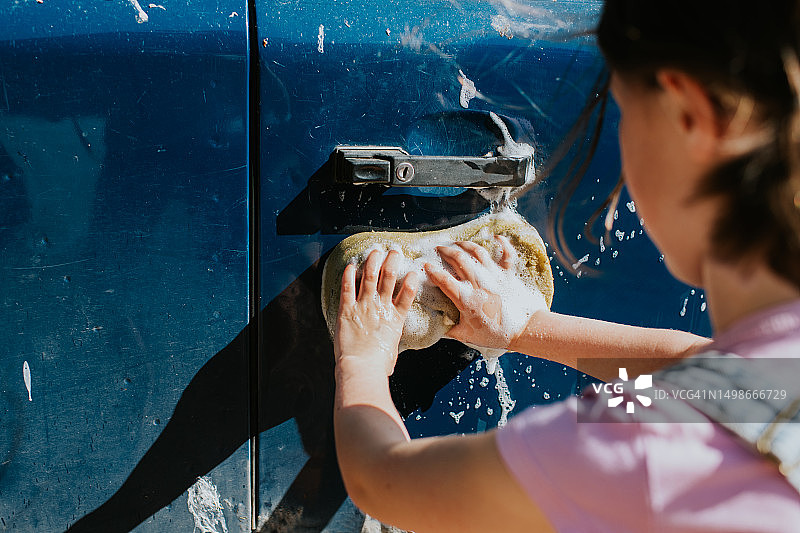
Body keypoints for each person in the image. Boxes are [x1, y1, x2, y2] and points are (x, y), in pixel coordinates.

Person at [332, 1, 800, 531]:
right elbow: (709, 372)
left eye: (626, 112)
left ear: (687, 115)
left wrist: (363, 360)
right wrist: (527, 328)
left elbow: (384, 480)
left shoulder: (637, 448)